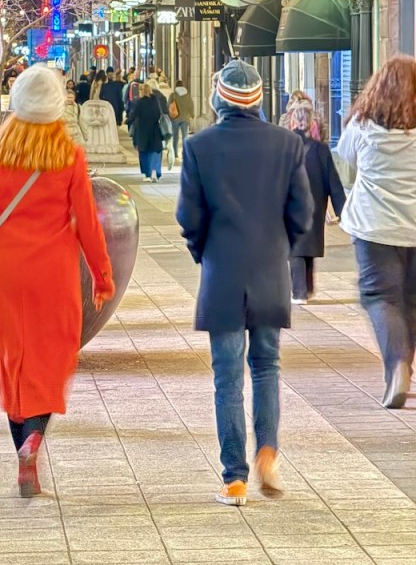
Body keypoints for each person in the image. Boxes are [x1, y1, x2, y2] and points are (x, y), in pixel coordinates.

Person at [0, 65, 114, 497]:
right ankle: (35, 436)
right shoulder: (69, 155)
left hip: (6, 271)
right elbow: (88, 223)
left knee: (12, 358)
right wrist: (102, 277)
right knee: (52, 357)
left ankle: (22, 445)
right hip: (54, 270)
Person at [176, 60, 312, 506]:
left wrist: (205, 253)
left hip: (223, 273)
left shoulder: (199, 146)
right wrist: (278, 249)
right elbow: (302, 215)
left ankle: (234, 478)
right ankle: (268, 454)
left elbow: (189, 218)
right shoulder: (288, 144)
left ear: (219, 97)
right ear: (257, 99)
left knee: (227, 377)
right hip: (269, 271)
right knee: (267, 366)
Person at [335, 56, 416, 410]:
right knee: (411, 301)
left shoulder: (362, 127)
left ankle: (397, 364)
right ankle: (405, 366)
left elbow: (346, 157)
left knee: (381, 297)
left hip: (375, 227)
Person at [282, 100, 346, 305]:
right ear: (311, 123)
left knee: (296, 246)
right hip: (316, 202)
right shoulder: (321, 149)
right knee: (308, 242)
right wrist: (342, 210)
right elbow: (333, 182)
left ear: (293, 122)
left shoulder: (285, 147)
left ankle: (299, 291)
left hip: (292, 202)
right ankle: (307, 288)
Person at [127, 83, 166, 182]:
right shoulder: (155, 100)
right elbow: (159, 114)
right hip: (155, 130)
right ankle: (156, 172)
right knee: (155, 152)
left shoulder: (140, 102)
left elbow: (133, 115)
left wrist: (127, 121)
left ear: (142, 91)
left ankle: (147, 174)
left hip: (143, 131)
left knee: (144, 153)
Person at [169, 80, 195, 160]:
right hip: (185, 118)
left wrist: (169, 117)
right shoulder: (188, 95)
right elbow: (191, 105)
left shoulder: (173, 95)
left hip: (175, 118)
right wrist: (192, 115)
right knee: (185, 136)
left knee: (175, 136)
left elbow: (169, 106)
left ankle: (175, 153)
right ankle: (185, 153)